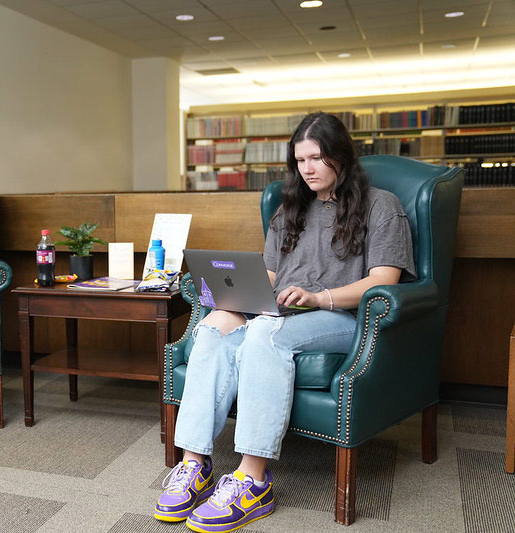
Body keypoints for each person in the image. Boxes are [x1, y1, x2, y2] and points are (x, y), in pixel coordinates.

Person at [154, 112, 415, 531]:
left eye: (316, 158)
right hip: (287, 312)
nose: (307, 169)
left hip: (344, 318)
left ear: (341, 157)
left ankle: (253, 479)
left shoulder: (381, 206)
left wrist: (318, 297)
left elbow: (384, 280)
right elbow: (273, 276)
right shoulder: (289, 209)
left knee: (265, 332)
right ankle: (194, 463)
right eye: (300, 160)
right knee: (214, 325)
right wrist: (239, 296)